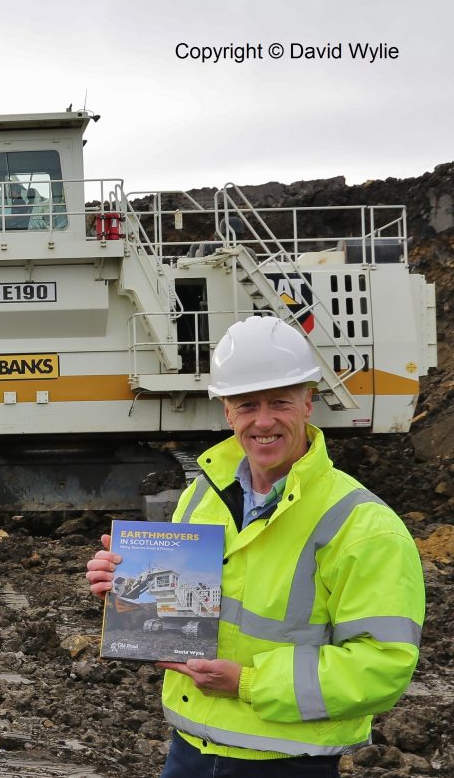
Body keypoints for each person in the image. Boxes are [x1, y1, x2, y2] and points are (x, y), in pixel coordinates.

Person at [85, 315, 425, 777]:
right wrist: (124, 589)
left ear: (308, 403)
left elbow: (382, 667)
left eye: (279, 402)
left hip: (286, 760)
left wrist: (248, 682)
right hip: (190, 748)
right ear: (227, 411)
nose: (263, 421)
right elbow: (182, 608)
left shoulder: (363, 525)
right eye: (247, 405)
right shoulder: (202, 496)